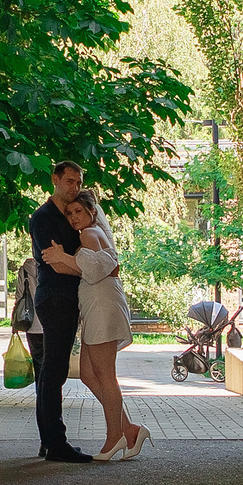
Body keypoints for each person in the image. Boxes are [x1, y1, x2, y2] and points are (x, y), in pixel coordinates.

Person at [54, 188, 150, 461]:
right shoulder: (93, 234)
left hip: (102, 306)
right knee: (88, 374)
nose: (73, 217)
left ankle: (114, 438)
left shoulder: (89, 234)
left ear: (92, 212)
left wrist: (62, 257)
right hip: (96, 307)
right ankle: (129, 429)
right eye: (69, 213)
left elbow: (98, 269)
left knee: (105, 375)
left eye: (78, 212)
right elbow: (101, 265)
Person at [24, 162, 95, 462]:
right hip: (54, 298)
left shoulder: (70, 215)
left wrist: (71, 258)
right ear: (54, 179)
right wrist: (76, 260)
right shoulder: (43, 218)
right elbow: (55, 262)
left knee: (54, 371)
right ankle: (55, 442)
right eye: (68, 181)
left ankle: (50, 440)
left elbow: (70, 258)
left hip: (66, 298)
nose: (74, 188)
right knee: (53, 371)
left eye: (78, 183)